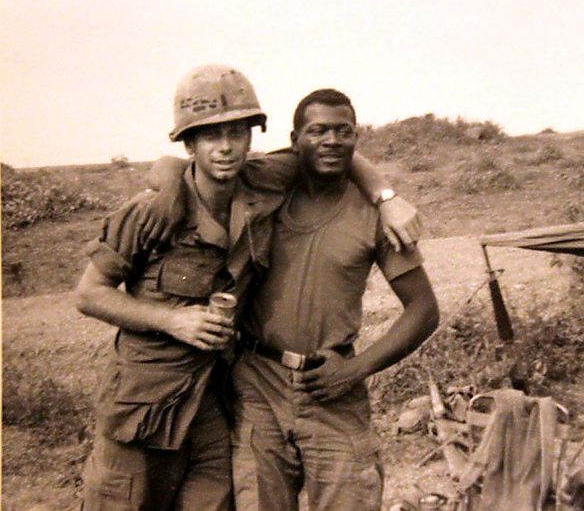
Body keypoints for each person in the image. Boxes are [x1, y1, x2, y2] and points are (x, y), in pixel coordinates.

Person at [75, 65, 421, 511]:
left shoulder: (262, 185)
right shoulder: (148, 212)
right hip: (144, 408)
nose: (224, 148)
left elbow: (332, 148)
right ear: (189, 144)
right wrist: (172, 319)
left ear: (251, 136)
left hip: (217, 408)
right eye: (210, 136)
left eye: (236, 133)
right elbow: (88, 294)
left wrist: (385, 197)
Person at [231, 89, 440, 511]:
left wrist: (354, 370)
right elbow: (187, 173)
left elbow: (424, 310)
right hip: (258, 384)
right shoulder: (265, 196)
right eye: (317, 131)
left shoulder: (376, 215)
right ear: (294, 140)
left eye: (343, 131)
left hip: (332, 384)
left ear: (356, 138)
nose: (331, 141)